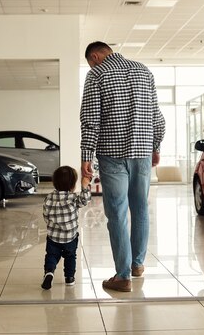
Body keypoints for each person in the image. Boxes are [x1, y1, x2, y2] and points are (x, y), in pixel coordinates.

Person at [80, 41, 165, 293]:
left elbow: (90, 120)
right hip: (142, 154)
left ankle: (122, 276)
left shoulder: (96, 74)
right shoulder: (143, 71)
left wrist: (86, 155)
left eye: (90, 61)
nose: (91, 65)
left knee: (117, 214)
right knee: (140, 209)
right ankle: (137, 264)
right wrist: (155, 147)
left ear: (95, 56)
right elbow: (156, 116)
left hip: (112, 155)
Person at [41, 165, 91, 290]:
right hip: (70, 237)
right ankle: (69, 278)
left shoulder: (49, 197)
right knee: (70, 256)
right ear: (72, 185)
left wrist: (51, 225)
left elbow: (45, 215)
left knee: (51, 255)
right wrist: (85, 186)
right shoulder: (73, 198)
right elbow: (85, 200)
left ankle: (49, 272)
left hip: (53, 237)